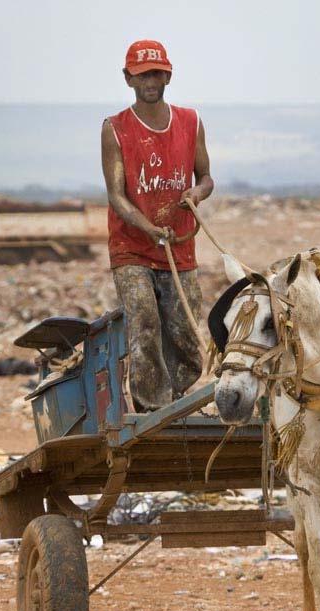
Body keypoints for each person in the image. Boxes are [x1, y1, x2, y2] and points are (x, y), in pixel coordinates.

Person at [101, 39, 214, 411]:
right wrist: (147, 227)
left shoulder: (190, 121)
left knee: (184, 330)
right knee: (145, 321)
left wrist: (195, 194)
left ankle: (177, 399)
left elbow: (207, 178)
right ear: (128, 79)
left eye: (156, 73)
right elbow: (116, 195)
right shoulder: (115, 128)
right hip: (132, 247)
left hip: (179, 245)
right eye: (142, 75)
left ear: (168, 75)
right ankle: (152, 406)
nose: (150, 81)